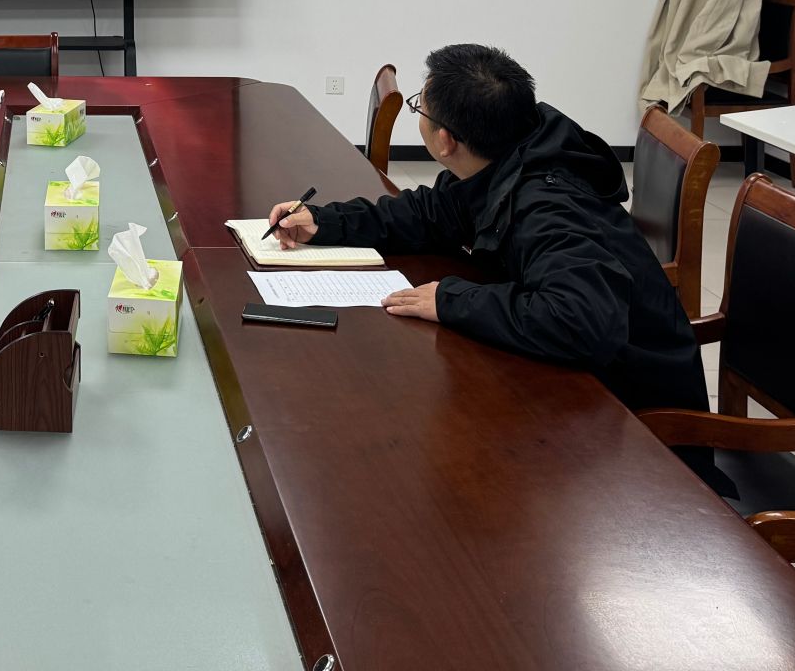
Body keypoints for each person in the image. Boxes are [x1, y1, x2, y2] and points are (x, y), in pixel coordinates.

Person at [268, 45, 712, 443]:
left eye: (420, 107)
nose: (418, 114)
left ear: (446, 141)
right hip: (577, 390)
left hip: (638, 427)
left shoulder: (551, 207)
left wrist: (451, 299)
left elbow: (581, 321)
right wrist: (323, 222)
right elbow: (428, 213)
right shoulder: (508, 154)